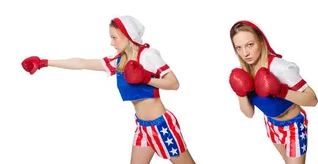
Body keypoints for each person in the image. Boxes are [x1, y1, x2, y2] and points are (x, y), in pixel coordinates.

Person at [20, 15, 195, 164]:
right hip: (142, 127)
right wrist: (45, 62)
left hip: (162, 125)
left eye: (114, 38)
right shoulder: (119, 61)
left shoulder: (148, 55)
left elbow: (174, 83)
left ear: (127, 36)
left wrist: (146, 77)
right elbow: (82, 63)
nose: (111, 43)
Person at [228, 20, 318, 163]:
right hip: (271, 124)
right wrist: (240, 93)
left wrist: (281, 91)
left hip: (293, 126)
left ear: (261, 42)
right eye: (238, 48)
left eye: (249, 45)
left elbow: (313, 100)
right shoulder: (243, 73)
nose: (245, 53)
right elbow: (249, 113)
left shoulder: (280, 68)